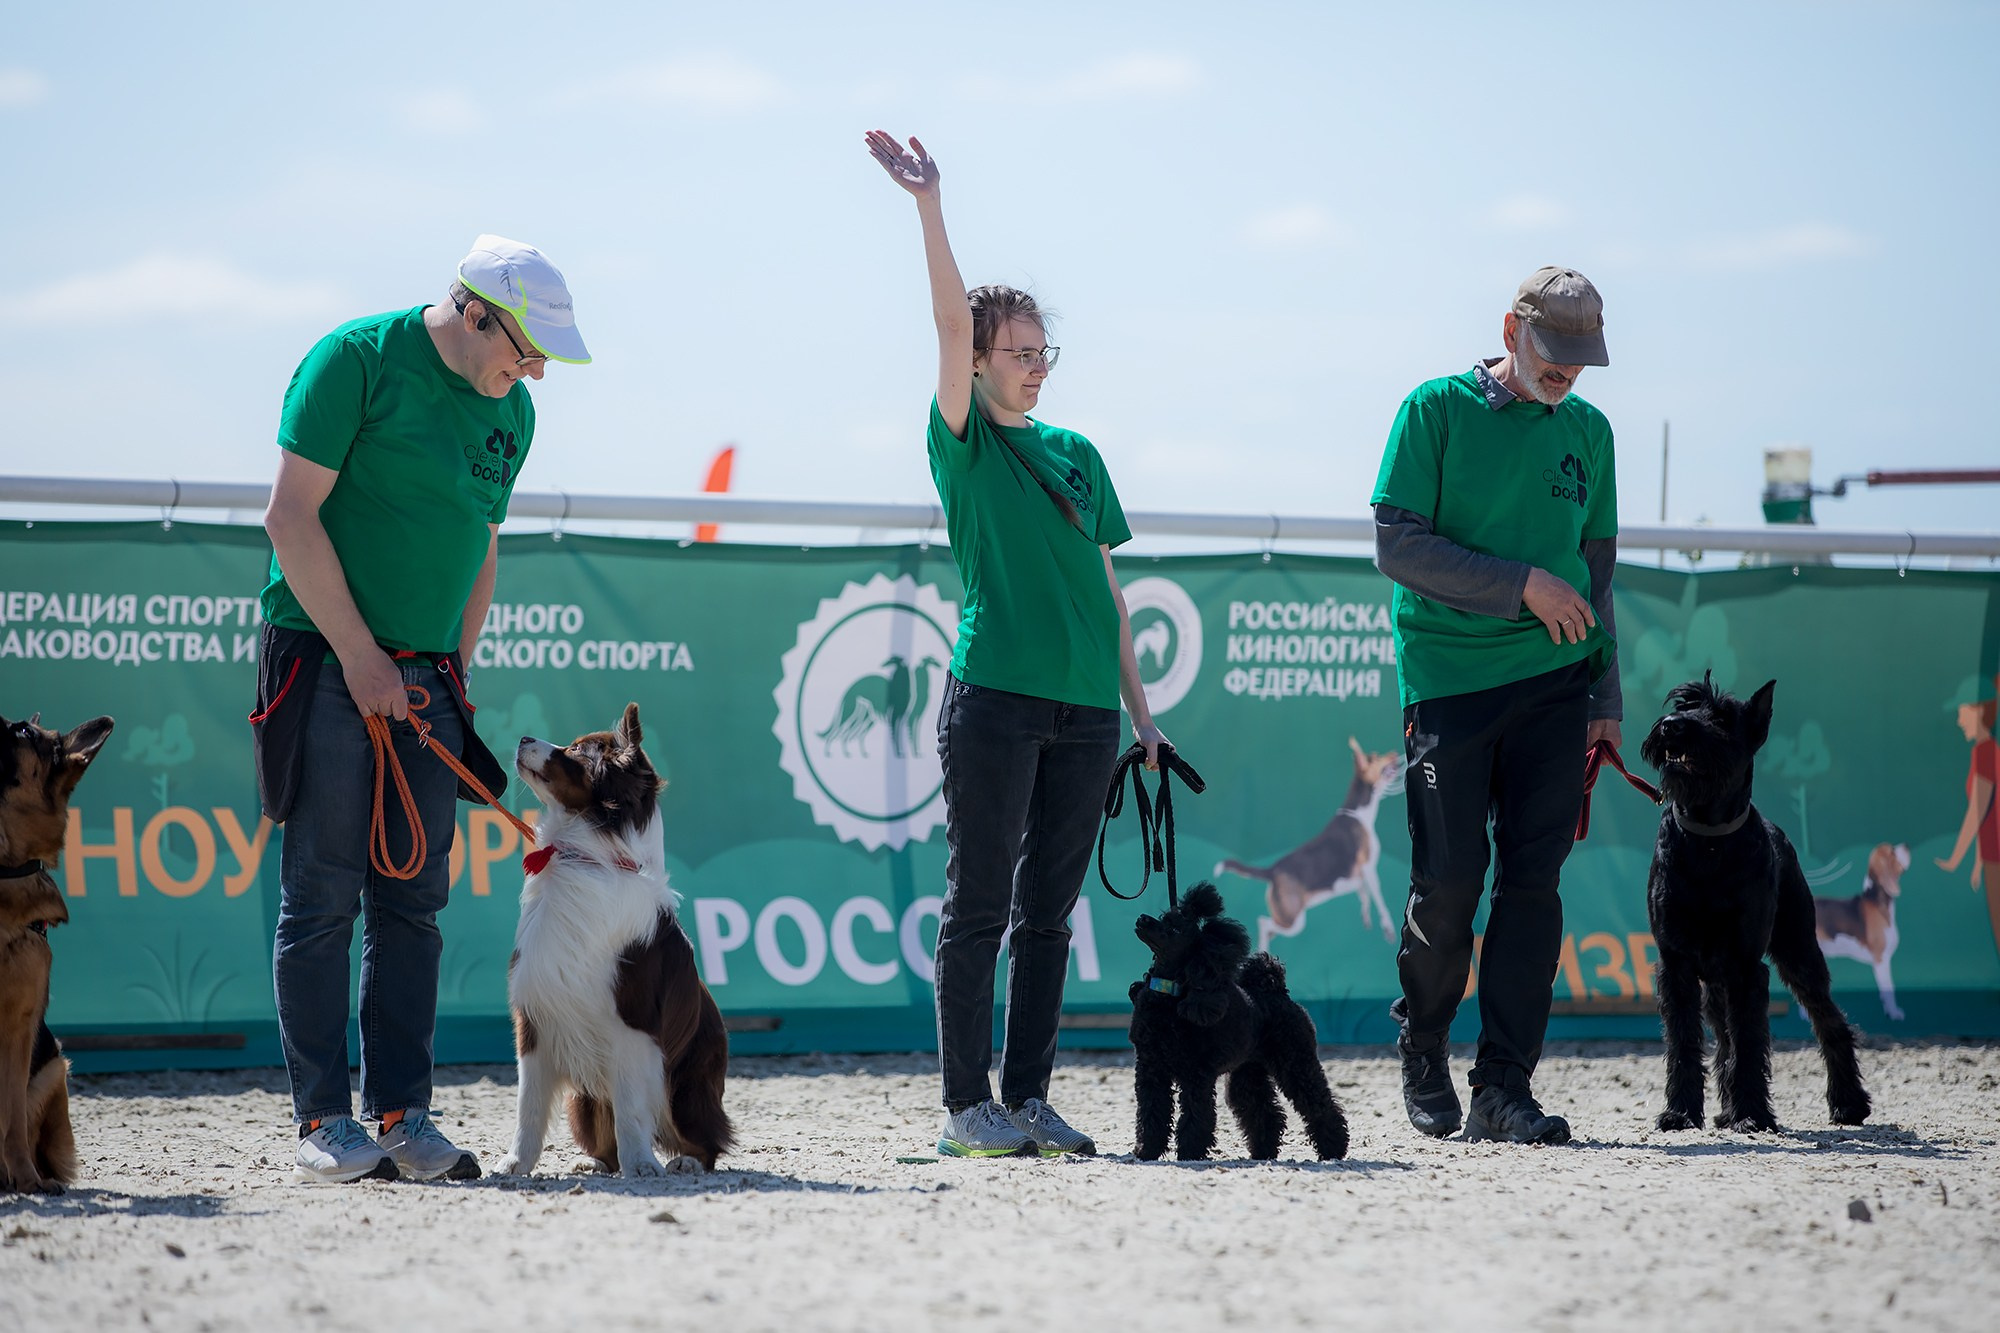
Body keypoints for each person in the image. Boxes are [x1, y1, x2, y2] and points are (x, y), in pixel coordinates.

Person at [253, 236, 590, 1182]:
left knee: (417, 900)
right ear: (475, 310)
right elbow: (290, 516)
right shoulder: (354, 360)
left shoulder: (512, 412)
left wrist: (453, 674)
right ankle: (324, 1118)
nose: (532, 373)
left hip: (429, 676)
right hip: (323, 657)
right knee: (321, 894)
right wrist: (360, 656)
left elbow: (481, 545)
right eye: (524, 348)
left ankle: (403, 1112)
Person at [865, 130, 1166, 1159]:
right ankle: (964, 1107)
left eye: (1044, 352)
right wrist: (928, 205)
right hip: (992, 694)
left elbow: (1107, 588)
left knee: (1049, 913)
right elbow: (948, 324)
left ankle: (1028, 1097)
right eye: (1017, 352)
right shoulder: (965, 436)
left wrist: (1141, 714)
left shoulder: (1079, 454)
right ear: (979, 363)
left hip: (1085, 710)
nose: (1033, 368)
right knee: (979, 902)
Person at [1371, 266, 1622, 1144]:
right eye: (1554, 352)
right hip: (1447, 682)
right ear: (1510, 328)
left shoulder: (1590, 432)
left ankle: (1504, 1086)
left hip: (1558, 686)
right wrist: (1521, 586)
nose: (1566, 373)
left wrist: (1605, 694)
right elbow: (1397, 545)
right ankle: (1425, 1043)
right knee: (1446, 881)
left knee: (1533, 886)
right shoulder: (1433, 410)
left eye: (1579, 358)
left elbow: (1596, 582)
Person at [1937, 688, 1999, 959]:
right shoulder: (1983, 751)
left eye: (1963, 714)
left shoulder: (1986, 752)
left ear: (1978, 712)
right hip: (1990, 855)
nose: (1960, 721)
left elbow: (1978, 811)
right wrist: (1977, 861)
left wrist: (1955, 858)